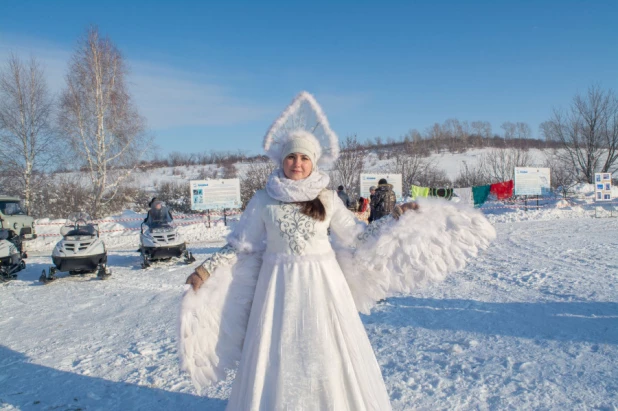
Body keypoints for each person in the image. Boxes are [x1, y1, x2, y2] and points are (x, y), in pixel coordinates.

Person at [179, 91, 496, 410]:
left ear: (313, 161)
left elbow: (357, 237)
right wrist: (206, 269)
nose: (297, 163)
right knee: (277, 352)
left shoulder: (328, 198)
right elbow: (241, 245)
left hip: (323, 286)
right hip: (276, 290)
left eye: (304, 158)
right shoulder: (263, 199)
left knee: (325, 350)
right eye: (292, 157)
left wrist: (393, 218)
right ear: (281, 160)